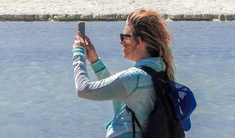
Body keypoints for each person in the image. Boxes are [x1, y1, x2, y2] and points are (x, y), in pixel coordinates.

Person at [72, 9, 175, 138]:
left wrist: (78, 53)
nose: (121, 41)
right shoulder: (159, 71)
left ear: (139, 42)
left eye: (124, 37)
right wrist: (95, 62)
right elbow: (119, 91)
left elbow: (83, 89)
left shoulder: (135, 77)